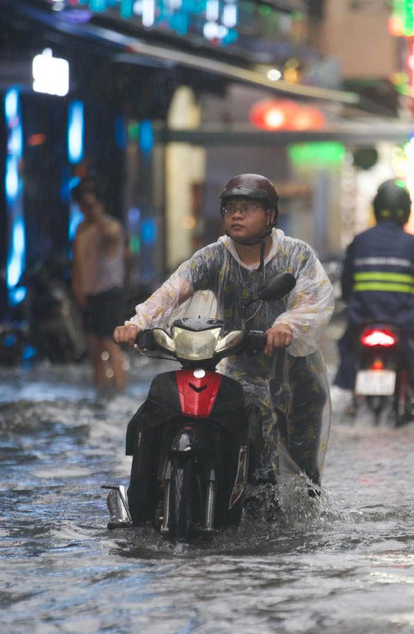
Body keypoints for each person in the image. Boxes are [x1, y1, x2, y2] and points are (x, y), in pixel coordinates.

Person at [113, 173, 334, 486]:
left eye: (247, 208)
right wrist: (137, 323)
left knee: (304, 475)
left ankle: (296, 521)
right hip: (243, 368)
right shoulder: (213, 257)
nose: (237, 214)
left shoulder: (296, 255)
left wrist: (286, 325)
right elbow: (173, 290)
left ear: (270, 215)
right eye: (230, 209)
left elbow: (315, 300)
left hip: (296, 375)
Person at [333, 179, 414, 403]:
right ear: (406, 210)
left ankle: (352, 394)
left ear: (376, 209)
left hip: (363, 320)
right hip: (407, 322)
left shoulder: (360, 242)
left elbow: (347, 286)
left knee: (345, 346)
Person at [71, 180, 128, 393]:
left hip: (109, 292)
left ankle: (120, 389)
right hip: (89, 293)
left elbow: (110, 237)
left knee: (110, 344)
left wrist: (97, 215)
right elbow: (77, 261)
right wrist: (77, 287)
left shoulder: (110, 226)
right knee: (93, 347)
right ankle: (101, 388)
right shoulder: (80, 229)